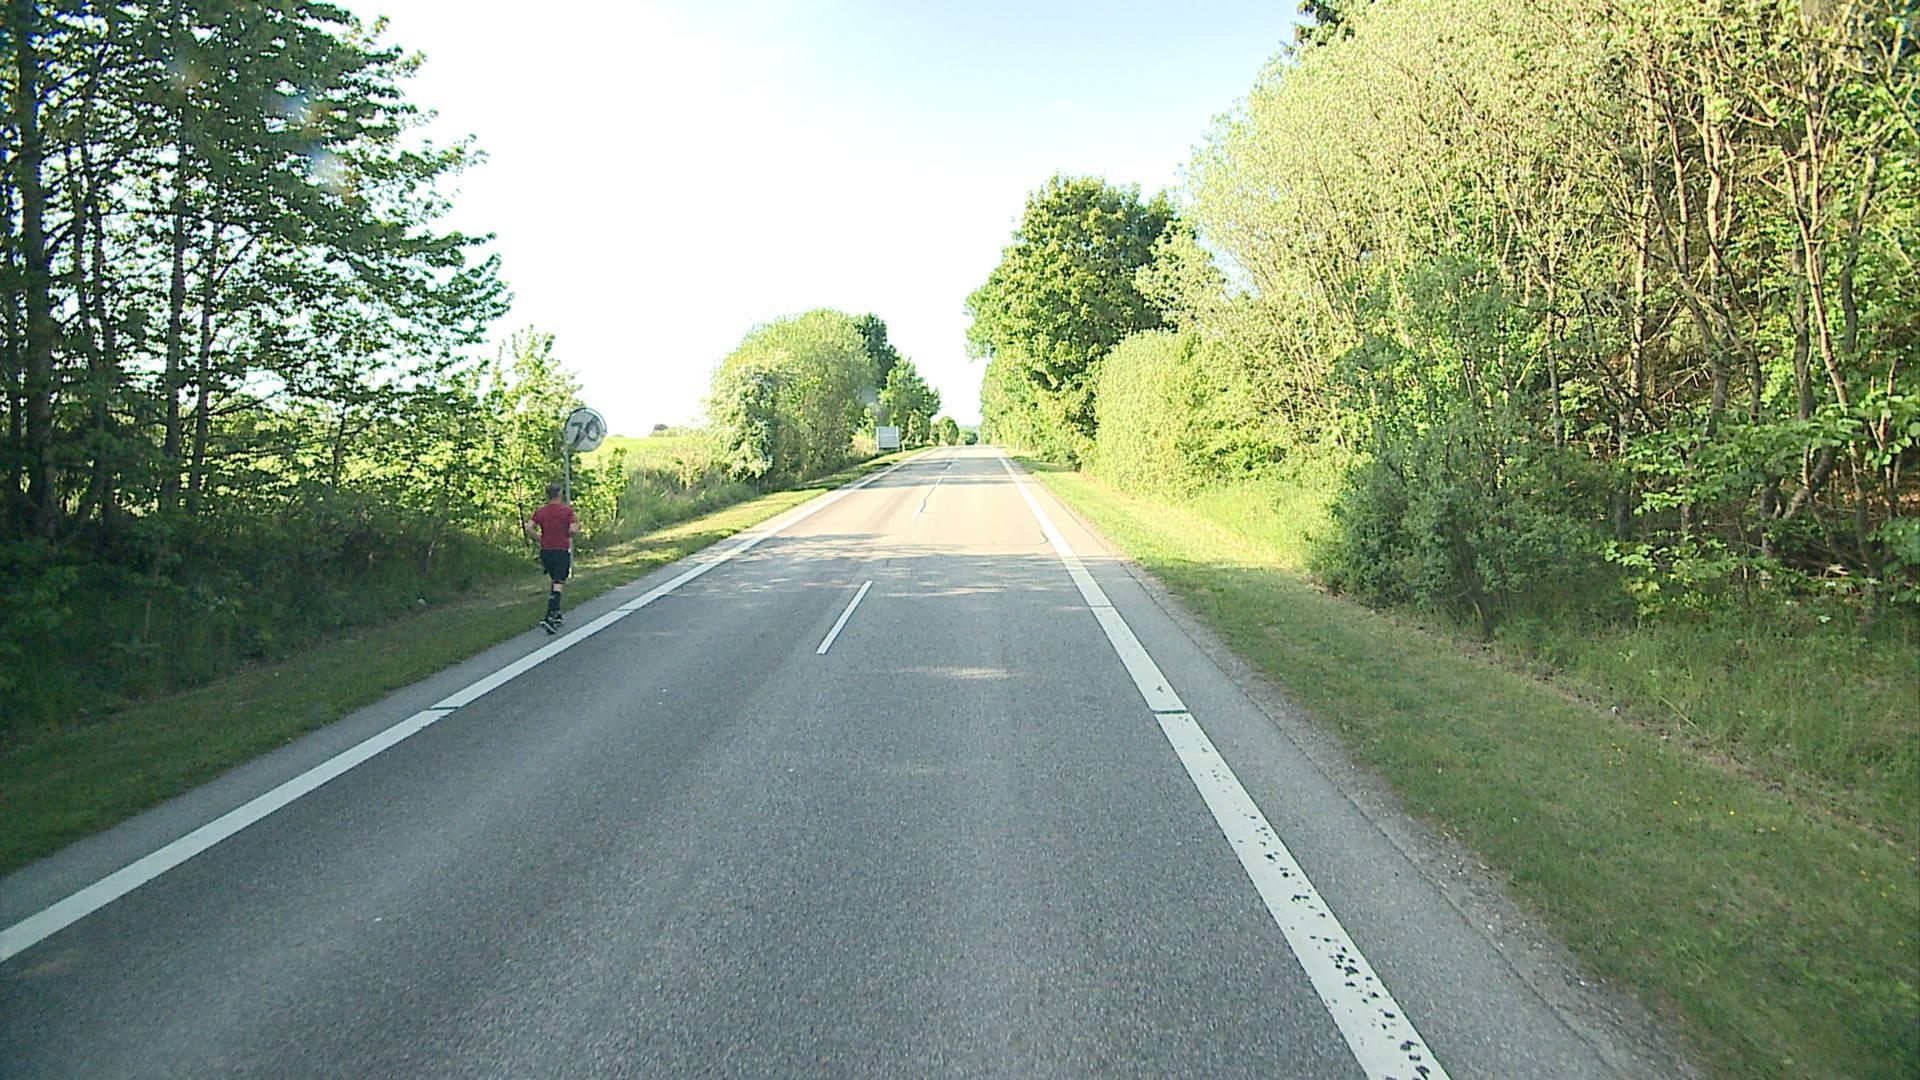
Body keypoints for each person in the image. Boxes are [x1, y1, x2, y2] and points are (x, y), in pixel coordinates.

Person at [526, 482, 579, 633]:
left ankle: (556, 614)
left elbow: (529, 527)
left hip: (546, 551)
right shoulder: (567, 511)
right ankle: (549, 615)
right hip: (561, 550)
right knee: (559, 582)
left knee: (555, 580)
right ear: (560, 494)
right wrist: (571, 533)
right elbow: (573, 530)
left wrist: (540, 538)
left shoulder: (541, 511)